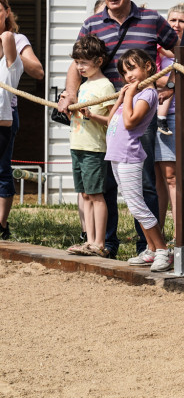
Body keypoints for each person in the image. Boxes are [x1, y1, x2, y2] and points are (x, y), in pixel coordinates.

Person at [59, 0, 178, 257]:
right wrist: (71, 94)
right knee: (106, 180)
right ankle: (106, 243)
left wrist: (171, 84)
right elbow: (77, 62)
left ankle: (147, 246)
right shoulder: (92, 23)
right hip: (104, 111)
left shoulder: (152, 20)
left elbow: (178, 50)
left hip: (139, 109)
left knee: (146, 181)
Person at [105, 49, 171, 272]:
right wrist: (123, 98)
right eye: (124, 73)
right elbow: (111, 120)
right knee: (134, 207)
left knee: (138, 206)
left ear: (148, 67)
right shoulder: (132, 95)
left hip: (129, 156)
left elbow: (131, 122)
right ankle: (151, 249)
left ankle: (163, 249)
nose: (128, 76)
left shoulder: (147, 94)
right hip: (116, 155)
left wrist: (131, 96)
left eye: (132, 68)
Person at [66, 36, 116, 257]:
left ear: (98, 61)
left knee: (96, 195)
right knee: (85, 194)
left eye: (84, 62)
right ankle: (89, 239)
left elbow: (112, 120)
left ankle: (100, 243)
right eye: (77, 62)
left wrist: (92, 114)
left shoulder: (105, 86)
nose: (80, 67)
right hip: (77, 145)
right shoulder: (84, 85)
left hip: (94, 148)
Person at [0, 0, 41, 239]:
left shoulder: (16, 40)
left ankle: (1, 224)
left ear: (7, 11)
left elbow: (38, 72)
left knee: (2, 169)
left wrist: (12, 50)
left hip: (5, 113)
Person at [153, 2, 184, 235]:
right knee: (157, 178)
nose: (176, 25)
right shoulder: (158, 48)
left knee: (172, 176)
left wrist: (168, 84)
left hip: (176, 115)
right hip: (152, 114)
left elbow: (182, 79)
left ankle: (180, 235)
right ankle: (157, 235)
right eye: (172, 20)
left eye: (181, 21)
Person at [0, 28, 22, 240]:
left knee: (2, 171)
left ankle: (1, 224)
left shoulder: (11, 67)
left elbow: (7, 37)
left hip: (2, 125)